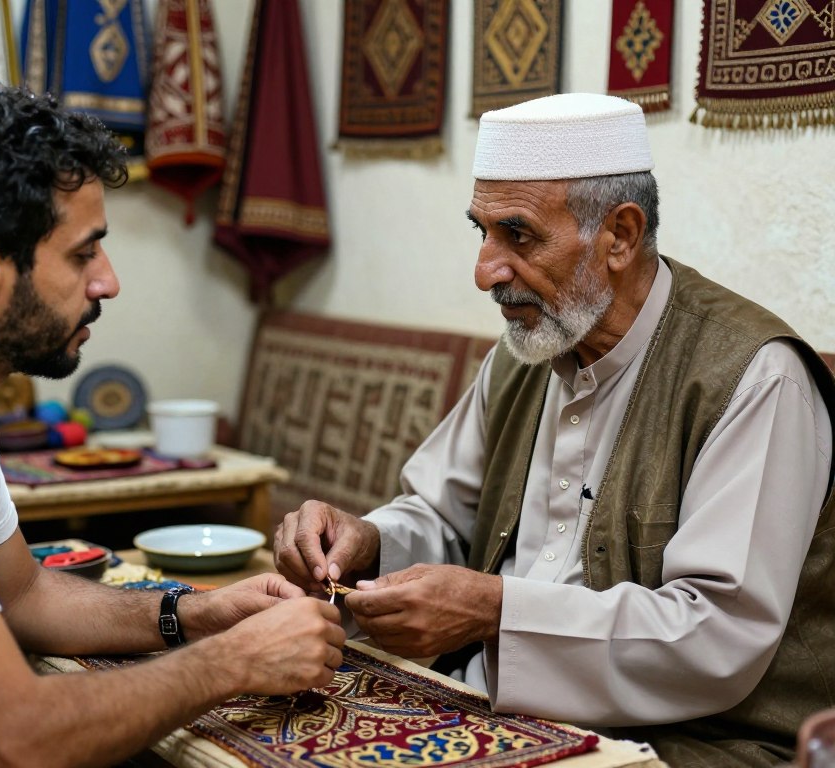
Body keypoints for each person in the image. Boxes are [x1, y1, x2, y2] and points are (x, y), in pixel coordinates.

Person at [274, 92, 835, 767]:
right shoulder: (526, 354)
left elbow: (715, 635)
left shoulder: (754, 377)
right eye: (480, 232)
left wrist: (496, 612)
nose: (485, 270)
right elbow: (442, 515)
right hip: (484, 705)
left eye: (519, 234)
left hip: (689, 743)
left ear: (620, 236)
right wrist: (367, 545)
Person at [0, 82, 345, 767]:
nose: (108, 281)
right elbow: (11, 740)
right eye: (82, 253)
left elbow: (22, 593)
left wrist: (191, 614)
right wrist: (230, 662)